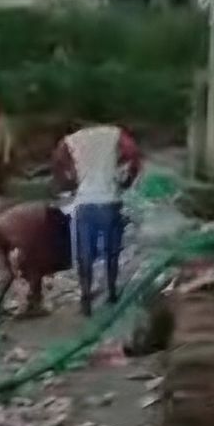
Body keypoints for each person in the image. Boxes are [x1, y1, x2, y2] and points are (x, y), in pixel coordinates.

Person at [52, 123, 142, 316]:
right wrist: (127, 180)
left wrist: (70, 181)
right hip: (110, 202)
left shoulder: (71, 140)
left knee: (85, 253)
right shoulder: (116, 134)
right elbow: (134, 155)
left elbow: (58, 161)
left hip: (85, 203)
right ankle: (112, 293)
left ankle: (85, 298)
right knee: (112, 250)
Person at [0, 201, 73, 318]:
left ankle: (32, 304)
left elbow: (28, 261)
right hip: (22, 228)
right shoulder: (6, 230)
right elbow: (10, 271)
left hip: (37, 223)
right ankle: (29, 304)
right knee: (21, 271)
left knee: (30, 268)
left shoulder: (22, 226)